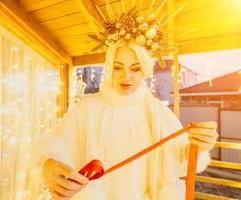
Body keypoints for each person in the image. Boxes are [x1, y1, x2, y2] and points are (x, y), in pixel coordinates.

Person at [31, 39, 218, 200]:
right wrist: (47, 165)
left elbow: (179, 159)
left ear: (144, 71)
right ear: (108, 68)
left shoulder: (159, 112)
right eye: (117, 67)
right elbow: (53, 149)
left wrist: (198, 146)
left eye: (135, 69)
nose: (126, 76)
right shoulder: (87, 108)